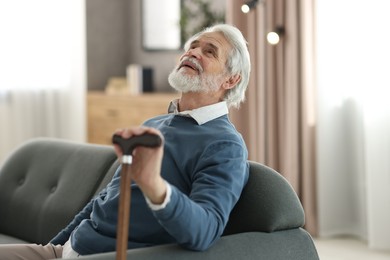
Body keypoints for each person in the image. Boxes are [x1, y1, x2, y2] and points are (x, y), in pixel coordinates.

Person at [0, 23, 251, 259]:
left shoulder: (225, 146)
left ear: (231, 80)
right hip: (66, 251)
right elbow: (106, 199)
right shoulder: (154, 124)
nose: (193, 53)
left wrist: (154, 185)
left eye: (209, 52)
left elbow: (204, 231)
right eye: (192, 46)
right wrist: (55, 246)